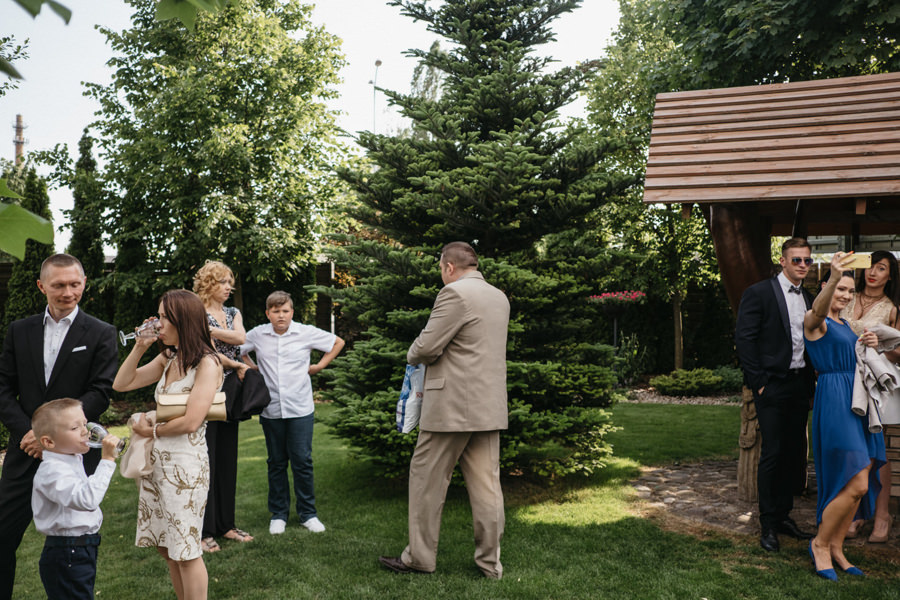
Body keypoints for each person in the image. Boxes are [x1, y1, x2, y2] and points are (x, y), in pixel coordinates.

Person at [379, 241, 510, 579]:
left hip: (451, 405)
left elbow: (426, 346)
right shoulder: (499, 297)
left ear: (449, 267)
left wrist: (412, 352)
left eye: (440, 269)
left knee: (426, 480)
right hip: (488, 405)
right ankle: (490, 565)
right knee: (487, 488)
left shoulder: (455, 294)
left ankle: (419, 558)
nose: (441, 275)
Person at [0, 253, 117, 600]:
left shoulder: (100, 332)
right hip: (25, 449)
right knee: (2, 537)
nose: (68, 291)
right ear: (42, 286)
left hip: (74, 455)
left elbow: (101, 391)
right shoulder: (19, 330)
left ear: (84, 283)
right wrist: (32, 434)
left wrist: (56, 435)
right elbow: (3, 386)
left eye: (75, 284)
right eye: (59, 285)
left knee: (75, 541)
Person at [113, 289, 223, 600]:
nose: (158, 323)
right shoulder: (168, 357)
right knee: (166, 546)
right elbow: (122, 384)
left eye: (163, 317)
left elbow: (192, 421)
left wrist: (152, 430)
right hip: (156, 465)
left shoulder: (207, 363)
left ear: (182, 321)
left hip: (185, 469)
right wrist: (139, 347)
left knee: (186, 549)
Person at [803, 253, 885, 580]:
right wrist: (835, 275)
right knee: (856, 480)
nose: (845, 296)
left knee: (861, 481)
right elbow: (818, 310)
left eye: (850, 291)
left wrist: (871, 342)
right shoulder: (816, 320)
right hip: (835, 400)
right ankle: (820, 543)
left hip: (858, 402)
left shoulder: (847, 325)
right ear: (827, 287)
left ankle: (837, 546)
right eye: (840, 289)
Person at [734, 237, 816, 552]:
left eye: (807, 260)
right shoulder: (759, 293)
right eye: (796, 260)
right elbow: (745, 340)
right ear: (782, 261)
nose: (803, 266)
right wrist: (760, 383)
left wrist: (809, 385)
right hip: (772, 384)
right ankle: (767, 523)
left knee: (793, 453)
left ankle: (783, 516)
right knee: (772, 452)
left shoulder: (810, 298)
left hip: (799, 385)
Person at [240, 291, 344, 535]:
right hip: (271, 409)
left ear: (292, 313)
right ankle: (278, 515)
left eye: (285, 311)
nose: (281, 316)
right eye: (275, 311)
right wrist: (252, 367)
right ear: (268, 314)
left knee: (302, 461)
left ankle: (308, 514)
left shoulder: (305, 332)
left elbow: (337, 342)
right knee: (276, 462)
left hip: (300, 408)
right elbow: (239, 349)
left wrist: (319, 365)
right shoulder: (258, 334)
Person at [30, 397, 121, 600]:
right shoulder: (52, 470)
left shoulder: (70, 459)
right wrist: (106, 460)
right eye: (74, 427)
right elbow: (87, 499)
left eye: (84, 423)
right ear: (48, 442)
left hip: (79, 549)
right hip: (67, 552)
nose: (84, 431)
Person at [840, 249, 899, 543]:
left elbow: (899, 351)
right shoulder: (846, 295)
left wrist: (882, 344)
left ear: (890, 276)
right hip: (842, 379)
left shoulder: (892, 309)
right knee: (852, 448)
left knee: (877, 451)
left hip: (874, 384)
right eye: (871, 266)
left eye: (881, 268)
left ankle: (882, 514)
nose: (873, 272)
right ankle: (855, 513)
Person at [192, 261, 252, 553]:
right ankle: (204, 531)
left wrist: (210, 332)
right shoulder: (195, 311)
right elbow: (206, 353)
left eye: (230, 282)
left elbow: (240, 338)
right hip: (207, 388)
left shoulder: (232, 313)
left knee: (228, 457)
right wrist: (232, 359)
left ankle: (226, 525)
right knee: (208, 460)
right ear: (208, 284)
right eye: (223, 282)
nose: (229, 287)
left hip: (232, 389)